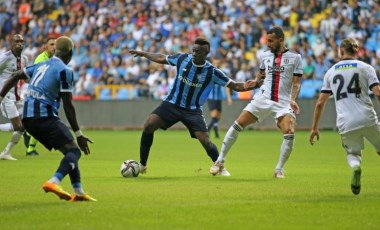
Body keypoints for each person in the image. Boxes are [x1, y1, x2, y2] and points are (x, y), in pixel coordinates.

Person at [129, 37, 261, 176]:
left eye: (197, 51)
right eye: (193, 50)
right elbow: (162, 57)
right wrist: (144, 53)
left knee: (206, 141)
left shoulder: (212, 72)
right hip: (171, 104)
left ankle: (220, 166)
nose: (194, 53)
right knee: (149, 124)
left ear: (206, 53)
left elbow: (235, 85)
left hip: (192, 111)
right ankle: (143, 164)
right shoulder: (182, 59)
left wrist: (254, 84)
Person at [0, 36, 96, 201]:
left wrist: (0, 96)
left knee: (69, 151)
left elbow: (16, 75)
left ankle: (78, 192)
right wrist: (79, 134)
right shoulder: (65, 71)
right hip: (44, 116)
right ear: (70, 53)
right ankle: (54, 181)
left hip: (27, 118)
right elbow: (68, 105)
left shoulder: (41, 64)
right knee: (74, 150)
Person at [210, 26, 303, 178]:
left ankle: (279, 169)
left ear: (281, 40)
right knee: (238, 123)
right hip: (263, 98)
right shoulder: (265, 56)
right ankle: (219, 161)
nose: (268, 44)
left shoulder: (295, 57)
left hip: (283, 102)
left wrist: (292, 99)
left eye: (271, 41)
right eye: (267, 41)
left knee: (289, 131)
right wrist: (252, 83)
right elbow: (260, 79)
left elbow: (297, 83)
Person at [309, 38, 380, 195]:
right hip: (368, 117)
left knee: (353, 154)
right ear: (357, 51)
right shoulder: (366, 68)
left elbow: (320, 103)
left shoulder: (331, 72)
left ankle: (356, 167)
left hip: (346, 122)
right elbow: (378, 93)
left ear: (341, 51)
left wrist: (314, 128)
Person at [24, 36, 56, 156]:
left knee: (40, 121)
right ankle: (30, 148)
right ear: (45, 47)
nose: (54, 47)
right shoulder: (41, 59)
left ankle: (27, 133)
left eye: (56, 45)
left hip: (48, 95)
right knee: (41, 120)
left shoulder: (55, 59)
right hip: (38, 95)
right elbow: (38, 79)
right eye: (52, 44)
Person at [0, 34, 28, 160]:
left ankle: (6, 153)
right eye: (17, 41)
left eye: (22, 41)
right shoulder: (4, 58)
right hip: (6, 96)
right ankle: (5, 153)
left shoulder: (25, 59)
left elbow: (25, 77)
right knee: (19, 127)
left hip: (18, 96)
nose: (20, 43)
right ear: (11, 43)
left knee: (25, 124)